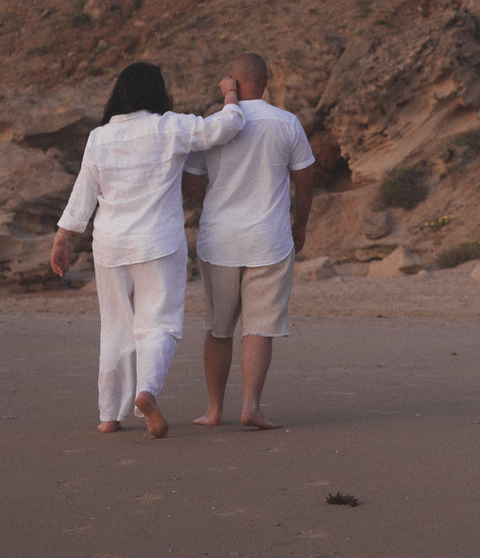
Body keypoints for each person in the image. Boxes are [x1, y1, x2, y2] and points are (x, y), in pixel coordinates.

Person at [50, 62, 245, 438]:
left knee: (115, 327)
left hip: (110, 244)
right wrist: (230, 94)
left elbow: (83, 192)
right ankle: (147, 392)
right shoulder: (168, 127)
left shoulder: (99, 137)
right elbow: (226, 126)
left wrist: (62, 238)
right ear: (158, 92)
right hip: (158, 242)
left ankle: (109, 415)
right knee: (159, 323)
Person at [181, 52, 316, 431]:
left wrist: (216, 197)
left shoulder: (212, 125)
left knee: (218, 328)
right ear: (266, 81)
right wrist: (300, 226)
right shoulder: (287, 123)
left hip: (219, 239)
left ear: (231, 83)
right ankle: (251, 406)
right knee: (259, 327)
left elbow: (190, 183)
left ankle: (213, 410)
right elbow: (306, 180)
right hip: (269, 239)